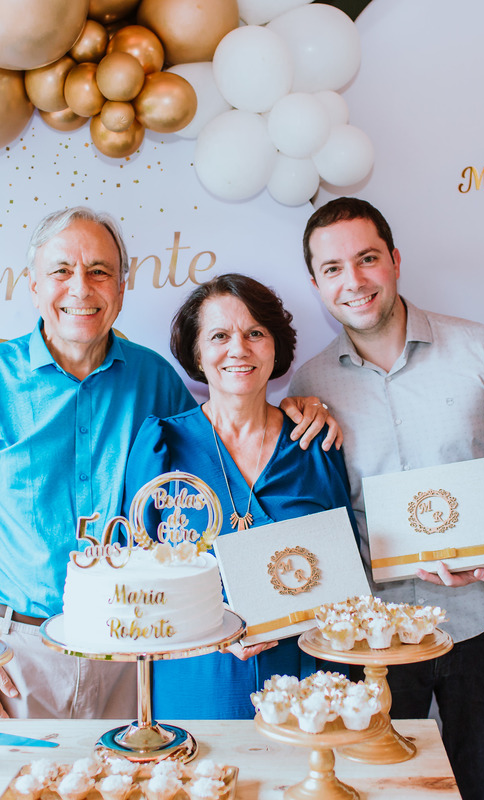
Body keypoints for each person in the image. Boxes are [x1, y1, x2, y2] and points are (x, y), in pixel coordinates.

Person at [0, 207, 338, 720]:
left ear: (121, 285)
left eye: (99, 271)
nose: (80, 288)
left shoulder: (154, 379)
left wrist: (301, 404)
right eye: (61, 271)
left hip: (129, 654)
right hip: (10, 653)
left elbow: (222, 431)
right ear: (32, 285)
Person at [288, 197, 484, 800]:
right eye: (332, 269)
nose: (353, 281)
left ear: (395, 260)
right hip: (371, 639)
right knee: (381, 791)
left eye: (367, 259)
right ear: (315, 283)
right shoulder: (308, 387)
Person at [124, 273, 354, 719]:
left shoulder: (314, 441)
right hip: (196, 674)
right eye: (219, 335)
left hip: (305, 678)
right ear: (197, 352)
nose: (239, 349)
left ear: (275, 347)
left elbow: (345, 574)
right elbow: (139, 576)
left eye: (255, 333)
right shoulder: (161, 445)